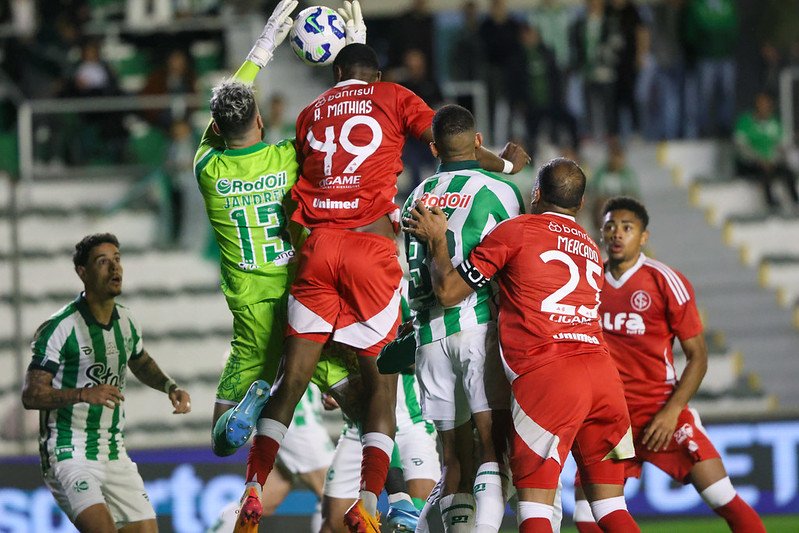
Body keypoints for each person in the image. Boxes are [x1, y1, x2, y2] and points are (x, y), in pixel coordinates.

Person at [240, 28, 530, 533]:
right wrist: (505, 163)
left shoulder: (311, 113)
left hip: (317, 246)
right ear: (376, 75)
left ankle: (252, 485)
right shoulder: (393, 96)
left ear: (334, 74)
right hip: (368, 248)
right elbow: (447, 141)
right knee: (381, 392)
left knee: (292, 380)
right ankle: (370, 501)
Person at [405, 158, 639, 533]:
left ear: (535, 193)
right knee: (612, 508)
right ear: (579, 206)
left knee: (535, 509)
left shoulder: (518, 231)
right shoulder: (591, 249)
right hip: (604, 379)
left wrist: (437, 241)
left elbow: (448, 292)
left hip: (550, 377)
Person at [572, 197, 766, 533]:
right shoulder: (589, 282)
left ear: (643, 236)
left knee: (724, 498)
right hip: (611, 417)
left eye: (627, 227)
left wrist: (671, 411)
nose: (617, 233)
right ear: (602, 233)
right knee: (587, 519)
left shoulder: (665, 281)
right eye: (610, 226)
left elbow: (698, 357)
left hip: (660, 411)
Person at [402, 104, 524, 532]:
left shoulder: (415, 196)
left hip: (428, 340)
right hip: (478, 326)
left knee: (453, 457)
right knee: (493, 446)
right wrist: (506, 166)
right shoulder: (499, 190)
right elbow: (518, 255)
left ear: (434, 147)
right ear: (478, 140)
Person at [21, 233, 192, 533]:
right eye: (103, 262)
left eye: (117, 260)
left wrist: (170, 387)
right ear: (82, 273)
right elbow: (32, 394)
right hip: (68, 451)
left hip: (113, 452)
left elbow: (139, 360)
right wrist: (84, 393)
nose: (115, 269)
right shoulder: (59, 328)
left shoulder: (126, 320)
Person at [321, 373, 440, 533]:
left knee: (416, 517)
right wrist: (338, 392)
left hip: (409, 425)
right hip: (358, 429)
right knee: (337, 524)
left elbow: (416, 356)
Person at [733, 92, 799, 212]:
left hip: (771, 161)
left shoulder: (775, 123)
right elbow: (740, 147)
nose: (764, 107)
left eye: (766, 104)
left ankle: (795, 202)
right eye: (761, 104)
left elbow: (784, 144)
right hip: (749, 163)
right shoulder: (745, 122)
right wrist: (759, 158)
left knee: (787, 172)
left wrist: (775, 158)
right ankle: (771, 205)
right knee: (764, 171)